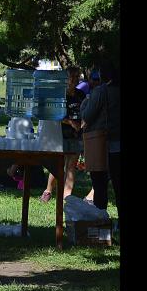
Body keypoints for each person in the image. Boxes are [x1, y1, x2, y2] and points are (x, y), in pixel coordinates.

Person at [80, 61, 120, 226]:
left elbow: (87, 116)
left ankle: (101, 223)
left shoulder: (99, 92)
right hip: (118, 145)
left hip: (100, 145)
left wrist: (85, 102)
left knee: (100, 186)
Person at [39, 66, 86, 203]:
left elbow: (85, 112)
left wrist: (82, 124)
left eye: (78, 77)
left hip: (76, 134)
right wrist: (70, 122)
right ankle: (48, 191)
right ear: (66, 79)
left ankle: (66, 196)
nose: (76, 80)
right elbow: (54, 115)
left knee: (72, 164)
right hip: (60, 133)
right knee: (58, 164)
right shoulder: (59, 95)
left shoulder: (80, 95)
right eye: (73, 77)